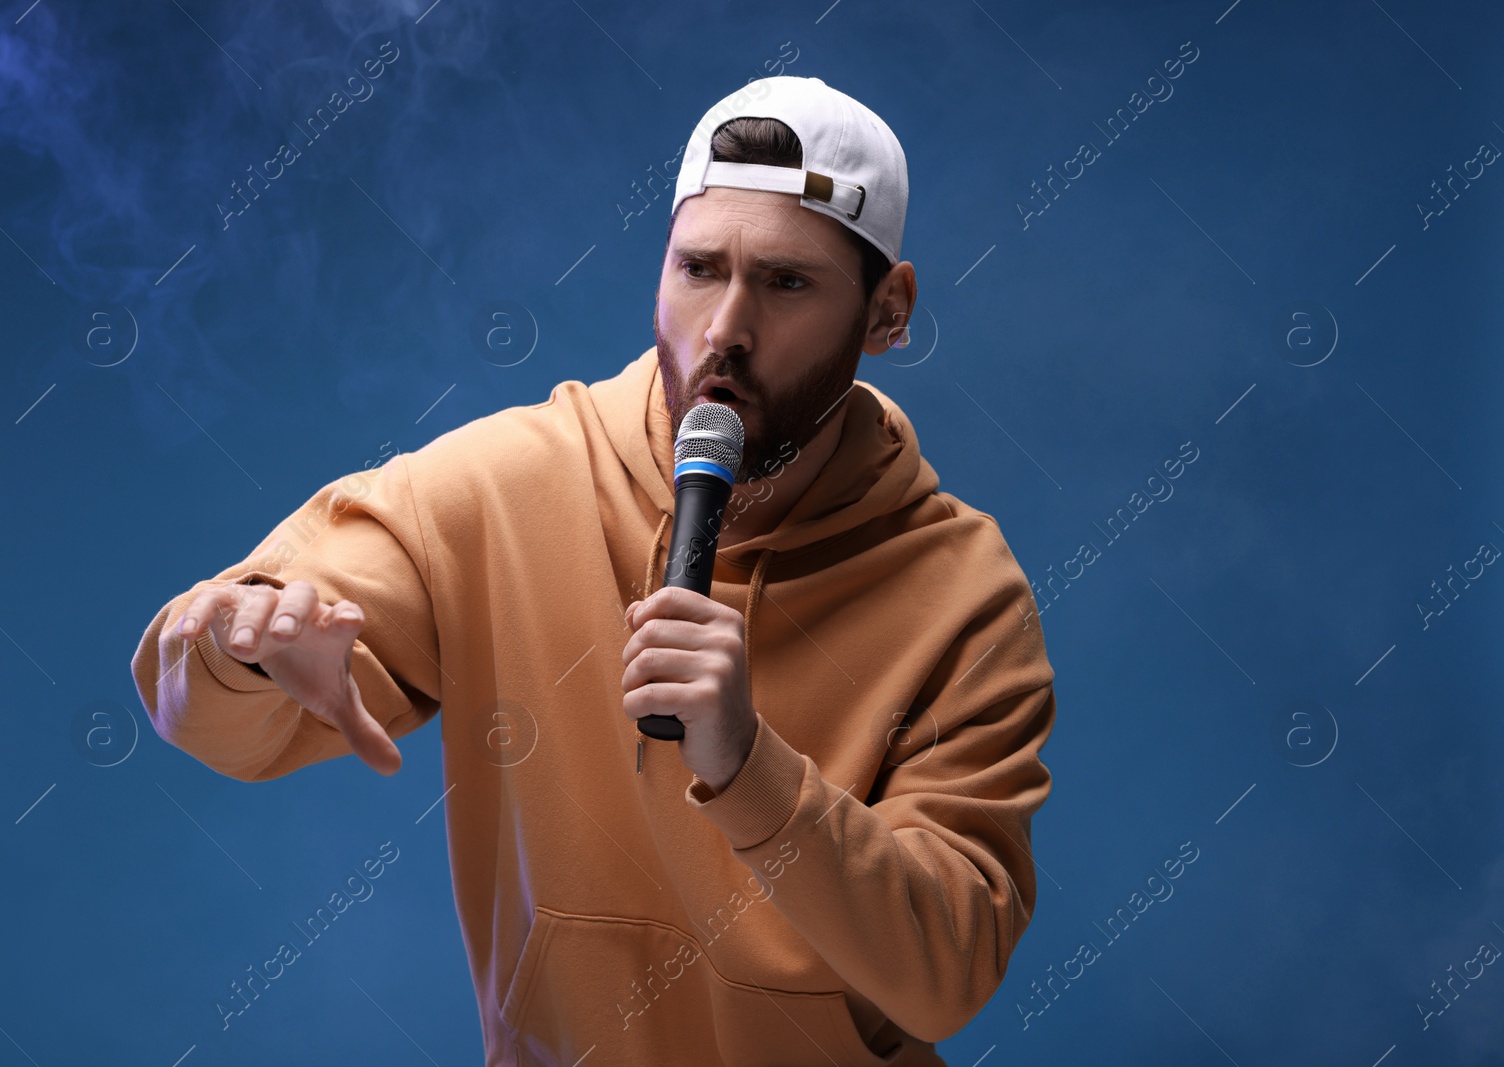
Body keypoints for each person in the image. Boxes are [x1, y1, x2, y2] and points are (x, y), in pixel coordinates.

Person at [133, 75, 1058, 1066]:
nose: (724, 330)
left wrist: (751, 765)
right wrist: (242, 644)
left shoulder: (964, 592)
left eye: (786, 283)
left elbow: (946, 967)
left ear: (887, 310)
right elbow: (217, 700)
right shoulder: (506, 483)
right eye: (699, 268)